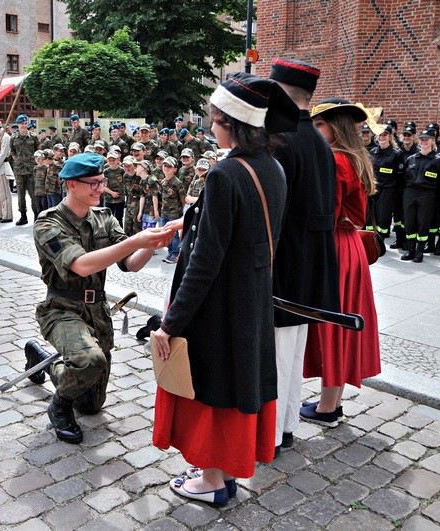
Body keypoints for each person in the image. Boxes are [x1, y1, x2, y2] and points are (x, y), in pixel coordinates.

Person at [152, 73, 299, 505]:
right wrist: (193, 220)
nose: (209, 126)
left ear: (233, 122)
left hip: (218, 303)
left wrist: (171, 322)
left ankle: (213, 481)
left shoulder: (225, 173)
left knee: (213, 389)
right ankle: (221, 473)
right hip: (250, 297)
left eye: (214, 119)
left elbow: (205, 261)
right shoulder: (272, 166)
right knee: (233, 384)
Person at [27, 152, 173, 443]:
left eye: (101, 181)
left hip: (97, 310)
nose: (100, 188)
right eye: (92, 183)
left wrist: (153, 244)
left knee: (92, 405)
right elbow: (81, 265)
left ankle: (44, 360)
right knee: (89, 360)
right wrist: (136, 240)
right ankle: (58, 408)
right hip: (61, 307)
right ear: (71, 185)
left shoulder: (104, 218)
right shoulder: (48, 224)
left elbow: (130, 263)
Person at [267, 59, 341, 455]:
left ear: (280, 92)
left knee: (277, 357)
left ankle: (273, 434)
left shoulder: (280, 138)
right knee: (292, 355)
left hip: (284, 267)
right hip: (310, 267)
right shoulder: (317, 140)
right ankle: (288, 425)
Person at [300, 98, 380, 428]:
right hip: (348, 247)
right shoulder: (353, 156)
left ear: (335, 127)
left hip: (334, 247)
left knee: (332, 326)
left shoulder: (334, 160)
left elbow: (323, 214)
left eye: (319, 125)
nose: (315, 131)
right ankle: (332, 401)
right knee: (340, 325)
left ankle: (328, 408)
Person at [401, 130, 440, 262]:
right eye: (422, 139)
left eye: (426, 139)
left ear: (432, 140)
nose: (423, 142)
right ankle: (411, 249)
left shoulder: (438, 161)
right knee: (409, 222)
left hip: (427, 194)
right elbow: (404, 178)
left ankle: (420, 251)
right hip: (410, 193)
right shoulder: (411, 159)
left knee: (423, 223)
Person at [368, 126, 405, 240]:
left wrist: (395, 194)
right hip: (373, 189)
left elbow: (400, 176)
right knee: (369, 218)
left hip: (388, 190)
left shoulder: (396, 154)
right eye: (380, 135)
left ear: (390, 136)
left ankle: (380, 240)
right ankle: (370, 241)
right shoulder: (373, 152)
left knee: (383, 218)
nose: (382, 137)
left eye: (384, 134)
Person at [159, 156, 186, 263]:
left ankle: (175, 254)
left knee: (174, 235)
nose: (166, 168)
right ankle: (170, 252)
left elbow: (183, 199)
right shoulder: (163, 181)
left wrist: (182, 212)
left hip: (174, 213)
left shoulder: (177, 183)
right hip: (164, 212)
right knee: (165, 234)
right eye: (165, 166)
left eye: (169, 166)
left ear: (175, 169)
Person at [102, 150, 125, 225]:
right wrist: (111, 193)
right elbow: (103, 186)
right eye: (110, 160)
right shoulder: (106, 172)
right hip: (109, 198)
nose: (111, 162)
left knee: (119, 218)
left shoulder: (122, 171)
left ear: (118, 160)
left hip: (120, 199)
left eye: (113, 160)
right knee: (108, 218)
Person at [137, 160, 161, 230]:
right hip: (146, 210)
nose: (136, 168)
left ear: (143, 168)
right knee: (145, 230)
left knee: (151, 231)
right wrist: (140, 212)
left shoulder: (152, 180)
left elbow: (155, 196)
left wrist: (156, 211)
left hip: (153, 210)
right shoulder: (141, 181)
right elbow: (142, 196)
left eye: (138, 166)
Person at [123, 156, 143, 236]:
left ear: (134, 165)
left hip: (139, 202)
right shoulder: (125, 176)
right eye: (125, 166)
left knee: (137, 226)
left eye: (129, 166)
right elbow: (127, 191)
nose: (127, 168)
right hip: (129, 201)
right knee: (127, 225)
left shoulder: (140, 176)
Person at [32, 150, 48, 219]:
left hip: (44, 192)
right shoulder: (35, 168)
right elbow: (34, 178)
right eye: (36, 158)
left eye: (40, 158)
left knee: (44, 207)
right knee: (38, 208)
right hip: (37, 191)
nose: (38, 160)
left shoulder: (46, 168)